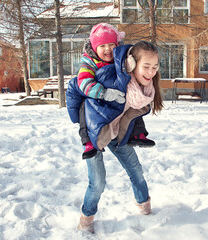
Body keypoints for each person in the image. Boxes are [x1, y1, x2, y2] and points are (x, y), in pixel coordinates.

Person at [67, 41, 164, 234]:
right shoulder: (108, 76)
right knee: (98, 182)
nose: (151, 72)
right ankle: (86, 220)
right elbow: (74, 86)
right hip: (96, 134)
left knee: (136, 170)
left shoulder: (145, 89)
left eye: (155, 67)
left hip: (118, 134)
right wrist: (77, 117)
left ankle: (146, 210)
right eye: (146, 66)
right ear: (131, 64)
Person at [74, 23, 155, 159]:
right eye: (102, 46)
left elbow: (129, 68)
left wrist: (130, 65)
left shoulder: (120, 58)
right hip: (97, 100)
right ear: (95, 48)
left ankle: (137, 133)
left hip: (119, 98)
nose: (108, 49)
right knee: (85, 107)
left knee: (134, 100)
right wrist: (103, 93)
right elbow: (84, 82)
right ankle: (88, 141)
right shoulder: (89, 63)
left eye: (111, 44)